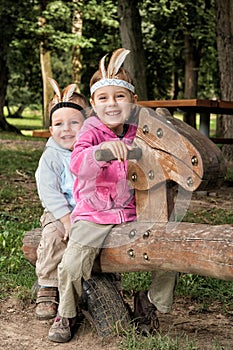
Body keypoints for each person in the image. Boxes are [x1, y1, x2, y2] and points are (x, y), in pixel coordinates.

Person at [48, 48, 177, 343]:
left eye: (120, 96)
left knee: (170, 254)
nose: (112, 104)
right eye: (103, 98)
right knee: (71, 263)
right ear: (93, 104)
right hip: (95, 214)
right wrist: (102, 152)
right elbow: (78, 163)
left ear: (132, 101)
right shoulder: (91, 130)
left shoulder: (138, 130)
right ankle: (66, 313)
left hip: (133, 212)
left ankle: (149, 303)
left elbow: (161, 154)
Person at [35, 78, 89, 320]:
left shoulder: (92, 152)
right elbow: (50, 193)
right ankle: (47, 286)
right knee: (54, 237)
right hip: (60, 212)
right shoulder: (51, 157)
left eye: (74, 123)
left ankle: (107, 282)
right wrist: (66, 220)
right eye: (58, 123)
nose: (66, 129)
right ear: (50, 129)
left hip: (89, 213)